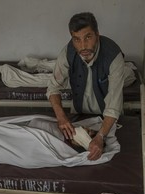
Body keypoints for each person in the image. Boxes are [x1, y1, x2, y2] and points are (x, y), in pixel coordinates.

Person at [46, 12, 125, 161]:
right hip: (79, 113)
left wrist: (100, 136)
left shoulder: (113, 56)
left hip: (105, 117)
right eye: (77, 39)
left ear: (97, 35)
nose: (83, 46)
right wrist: (61, 116)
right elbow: (53, 87)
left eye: (88, 37)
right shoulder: (68, 52)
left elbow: (114, 106)